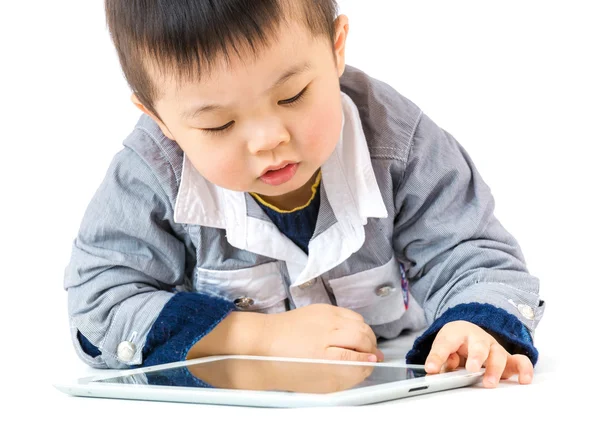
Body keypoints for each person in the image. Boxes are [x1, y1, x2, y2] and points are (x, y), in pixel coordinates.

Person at [64, 0, 545, 389]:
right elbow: (99, 305)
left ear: (336, 48)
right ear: (159, 119)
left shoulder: (400, 142)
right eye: (218, 123)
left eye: (292, 95)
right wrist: (258, 344)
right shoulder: (150, 172)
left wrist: (473, 323)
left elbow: (470, 251)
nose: (267, 139)